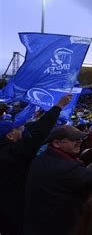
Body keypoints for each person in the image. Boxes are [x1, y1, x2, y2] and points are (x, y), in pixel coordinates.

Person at [0, 94, 72, 234]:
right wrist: (59, 106)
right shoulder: (13, 152)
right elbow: (39, 132)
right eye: (17, 128)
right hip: (13, 207)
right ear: (10, 135)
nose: (22, 129)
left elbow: (32, 131)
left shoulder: (7, 148)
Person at [24, 127, 92, 235]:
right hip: (61, 225)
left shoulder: (44, 157)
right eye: (73, 139)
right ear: (56, 143)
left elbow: (74, 168)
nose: (79, 141)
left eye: (80, 138)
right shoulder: (64, 168)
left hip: (42, 221)